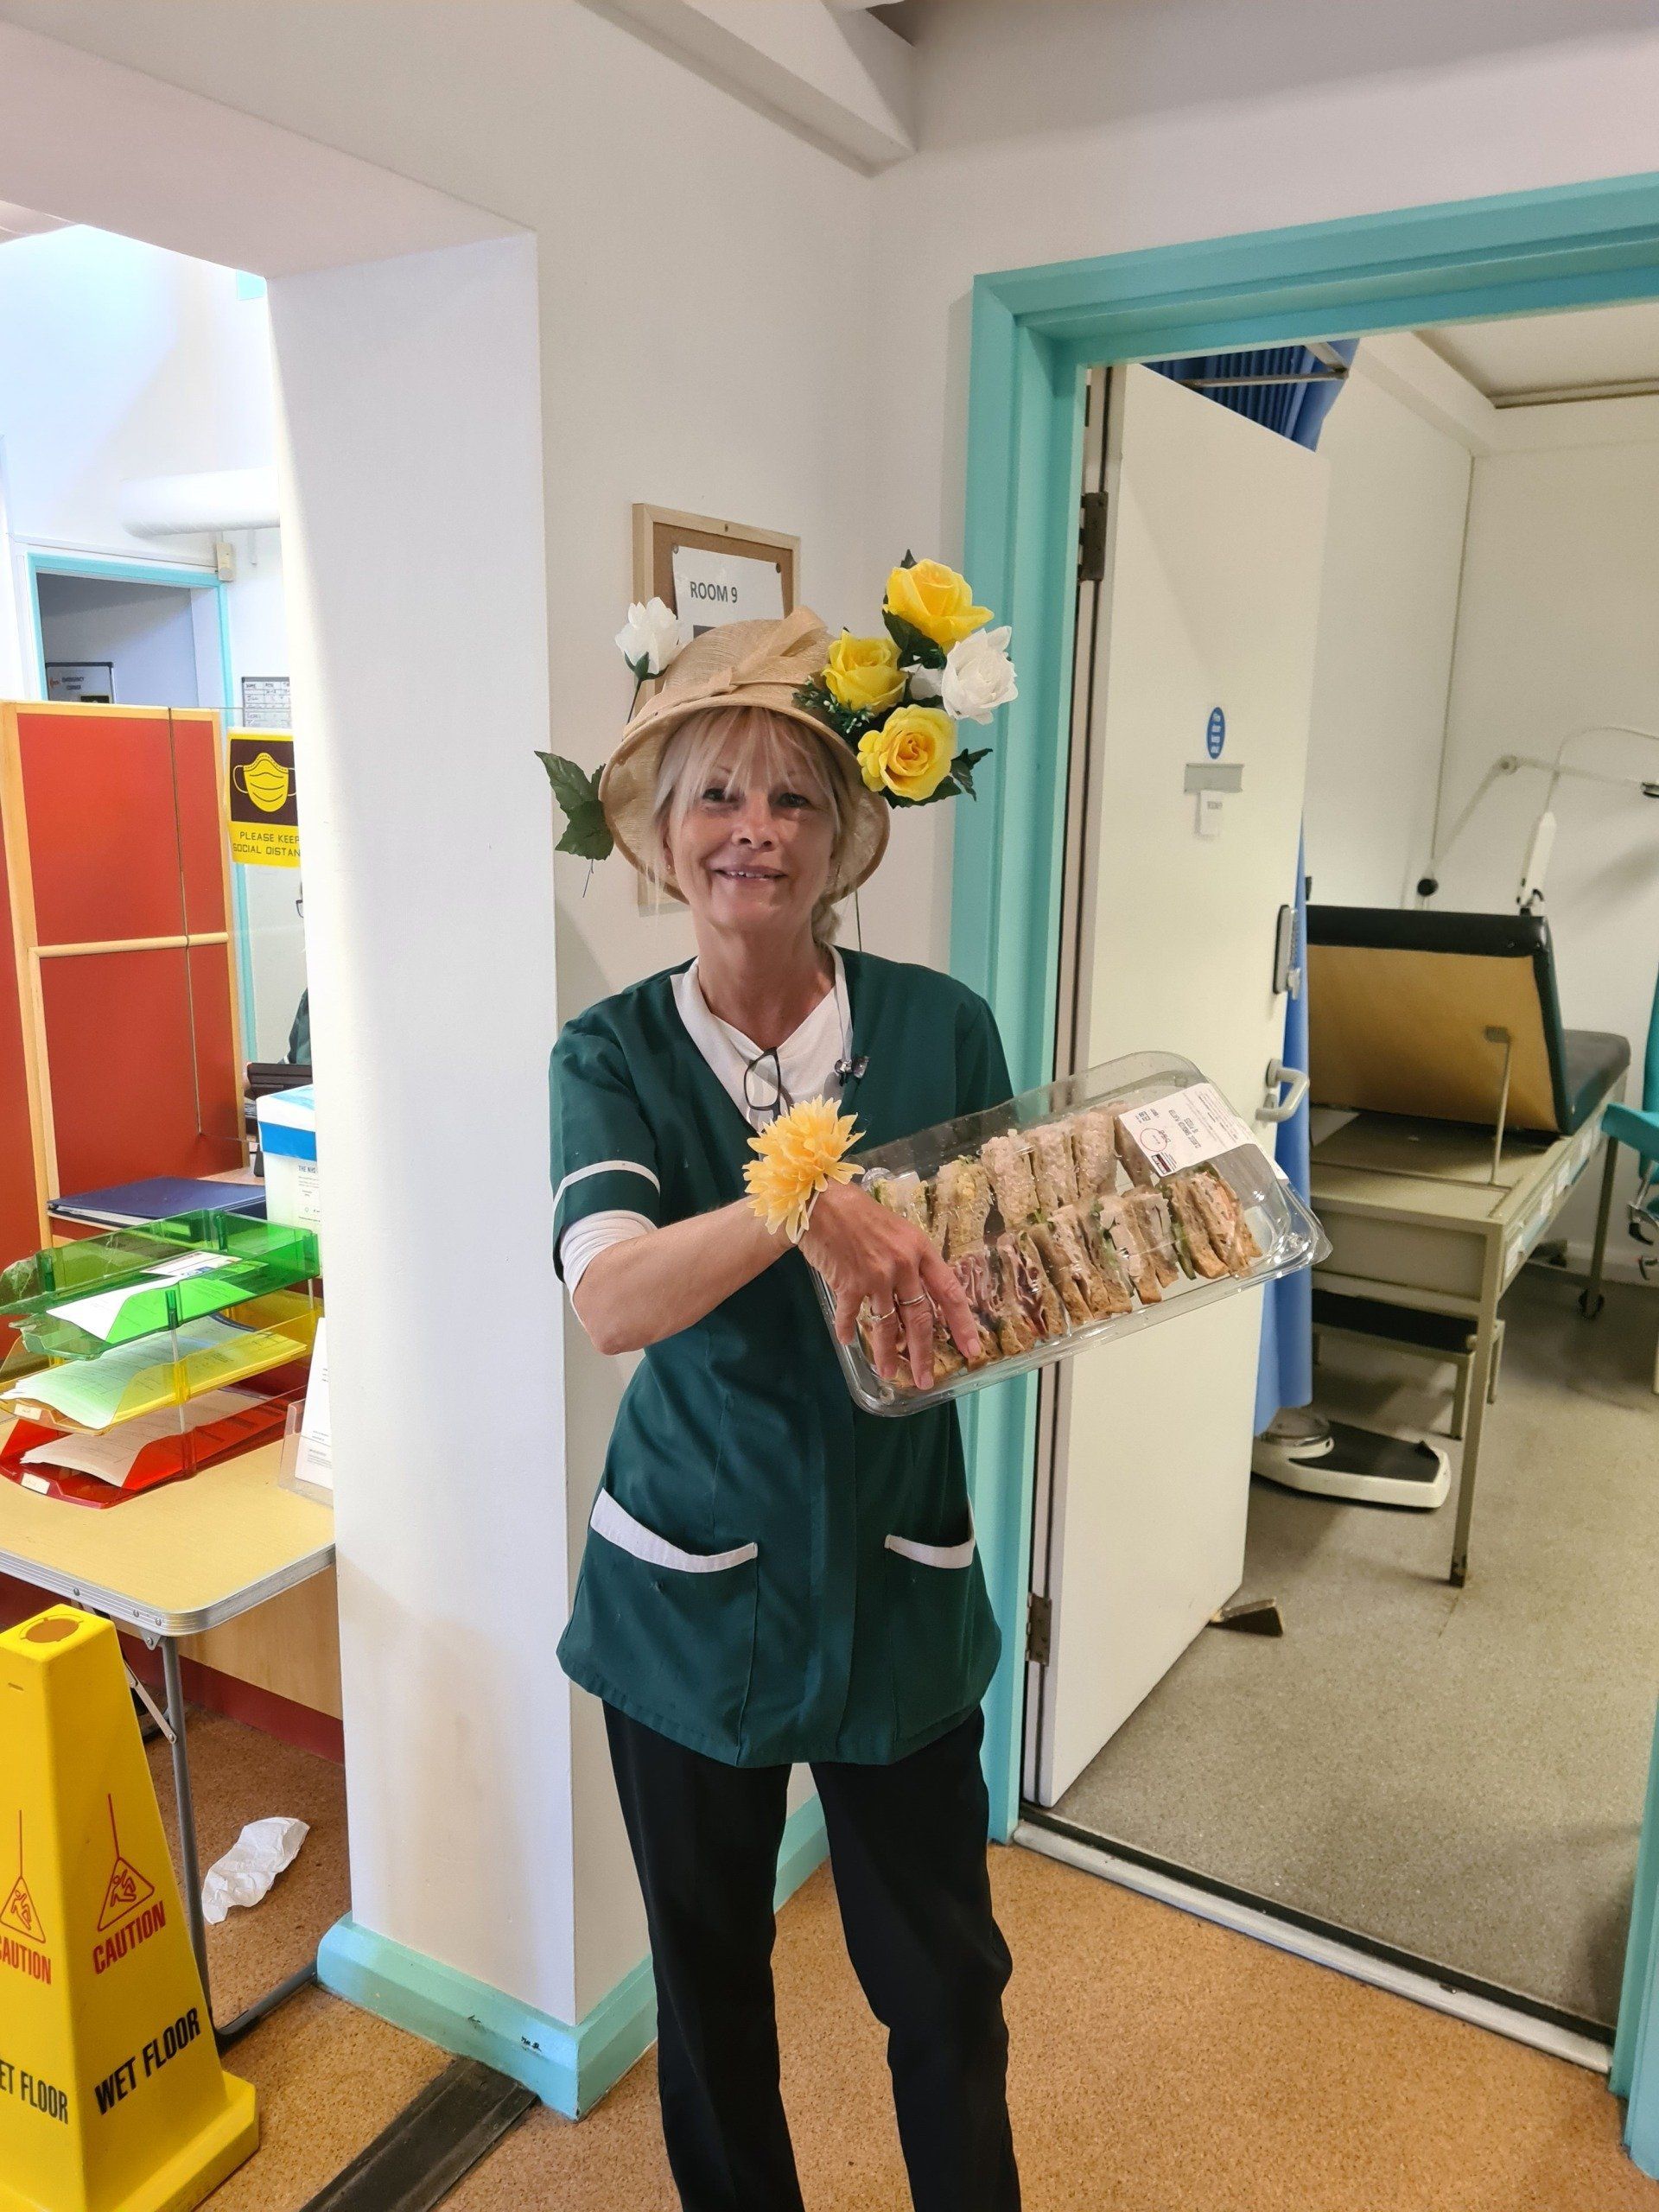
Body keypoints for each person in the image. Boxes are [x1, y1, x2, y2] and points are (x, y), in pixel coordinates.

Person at [550, 602, 1021, 2212]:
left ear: (843, 837)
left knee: (946, 1989)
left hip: (900, 1582)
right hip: (686, 1600)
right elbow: (611, 1298)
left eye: (794, 798)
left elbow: (997, 1274)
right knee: (712, 2009)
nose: (753, 830)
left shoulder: (941, 1029)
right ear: (661, 837)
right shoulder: (611, 1056)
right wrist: (799, 1203)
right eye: (717, 797)